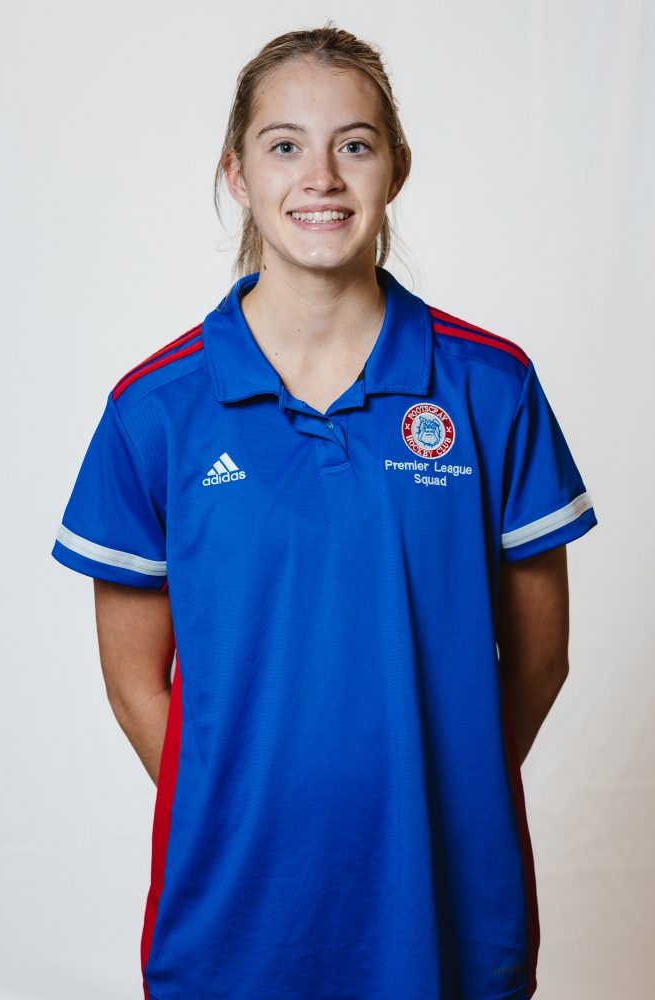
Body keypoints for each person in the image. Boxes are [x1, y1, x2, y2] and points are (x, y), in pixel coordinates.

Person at [51, 22, 598, 1000]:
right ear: (236, 173)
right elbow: (136, 684)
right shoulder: (155, 409)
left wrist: (440, 789)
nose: (321, 177)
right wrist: (244, 811)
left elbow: (540, 658)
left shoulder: (491, 386)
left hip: (447, 900)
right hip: (234, 916)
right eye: (284, 145)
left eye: (354, 143)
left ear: (396, 168)